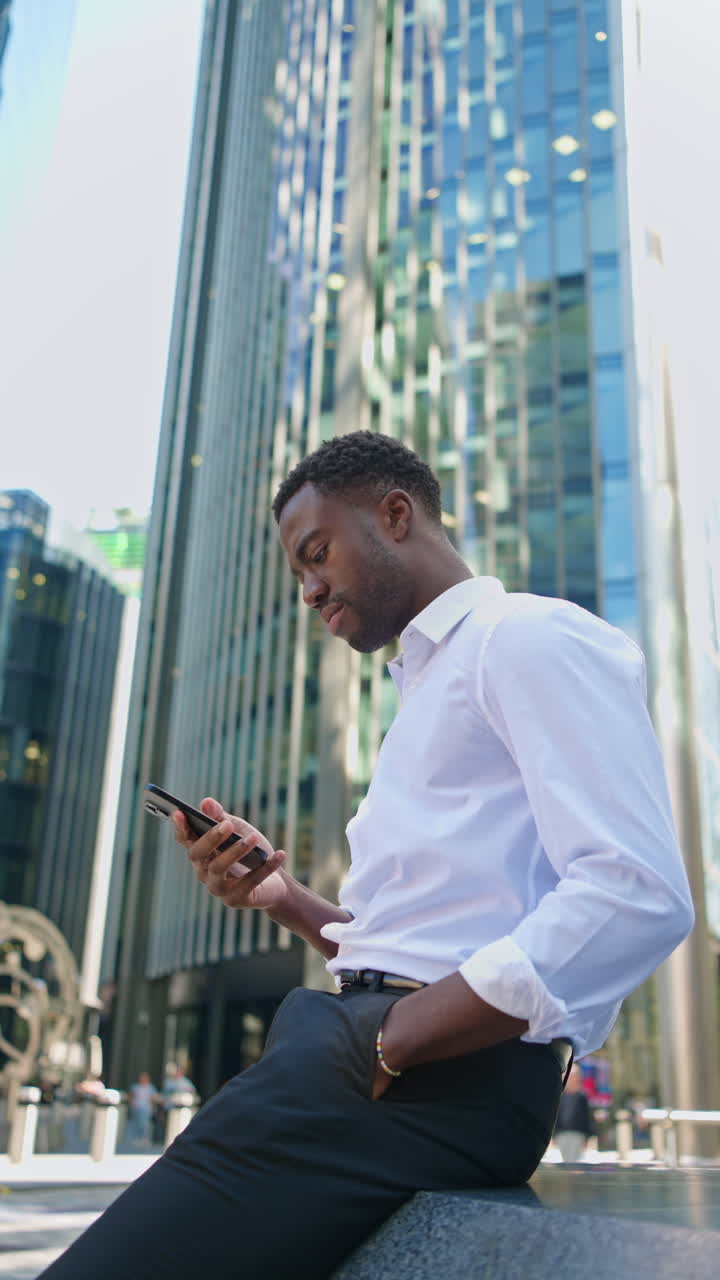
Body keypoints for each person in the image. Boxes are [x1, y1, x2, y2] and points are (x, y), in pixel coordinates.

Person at [42, 430, 694, 1278]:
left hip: (429, 1075)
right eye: (298, 572)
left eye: (317, 555)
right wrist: (283, 899)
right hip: (372, 1055)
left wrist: (395, 1040)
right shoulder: (429, 683)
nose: (309, 590)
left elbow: (637, 889)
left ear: (394, 515)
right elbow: (421, 938)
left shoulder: (523, 637)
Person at [554, 1065, 594, 1162]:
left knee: (574, 1160)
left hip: (578, 1134)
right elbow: (556, 1117)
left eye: (575, 1077)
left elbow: (587, 1118)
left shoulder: (582, 1097)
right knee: (565, 1159)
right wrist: (554, 1135)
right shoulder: (560, 1096)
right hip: (562, 1134)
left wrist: (588, 1137)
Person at [126, 1071, 157, 1146]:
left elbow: (153, 1098)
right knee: (136, 1122)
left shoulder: (151, 1087)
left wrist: (153, 1107)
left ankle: (144, 1138)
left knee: (144, 1123)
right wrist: (132, 1104)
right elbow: (131, 1096)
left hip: (146, 1108)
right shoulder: (135, 1087)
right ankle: (136, 1138)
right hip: (137, 1107)